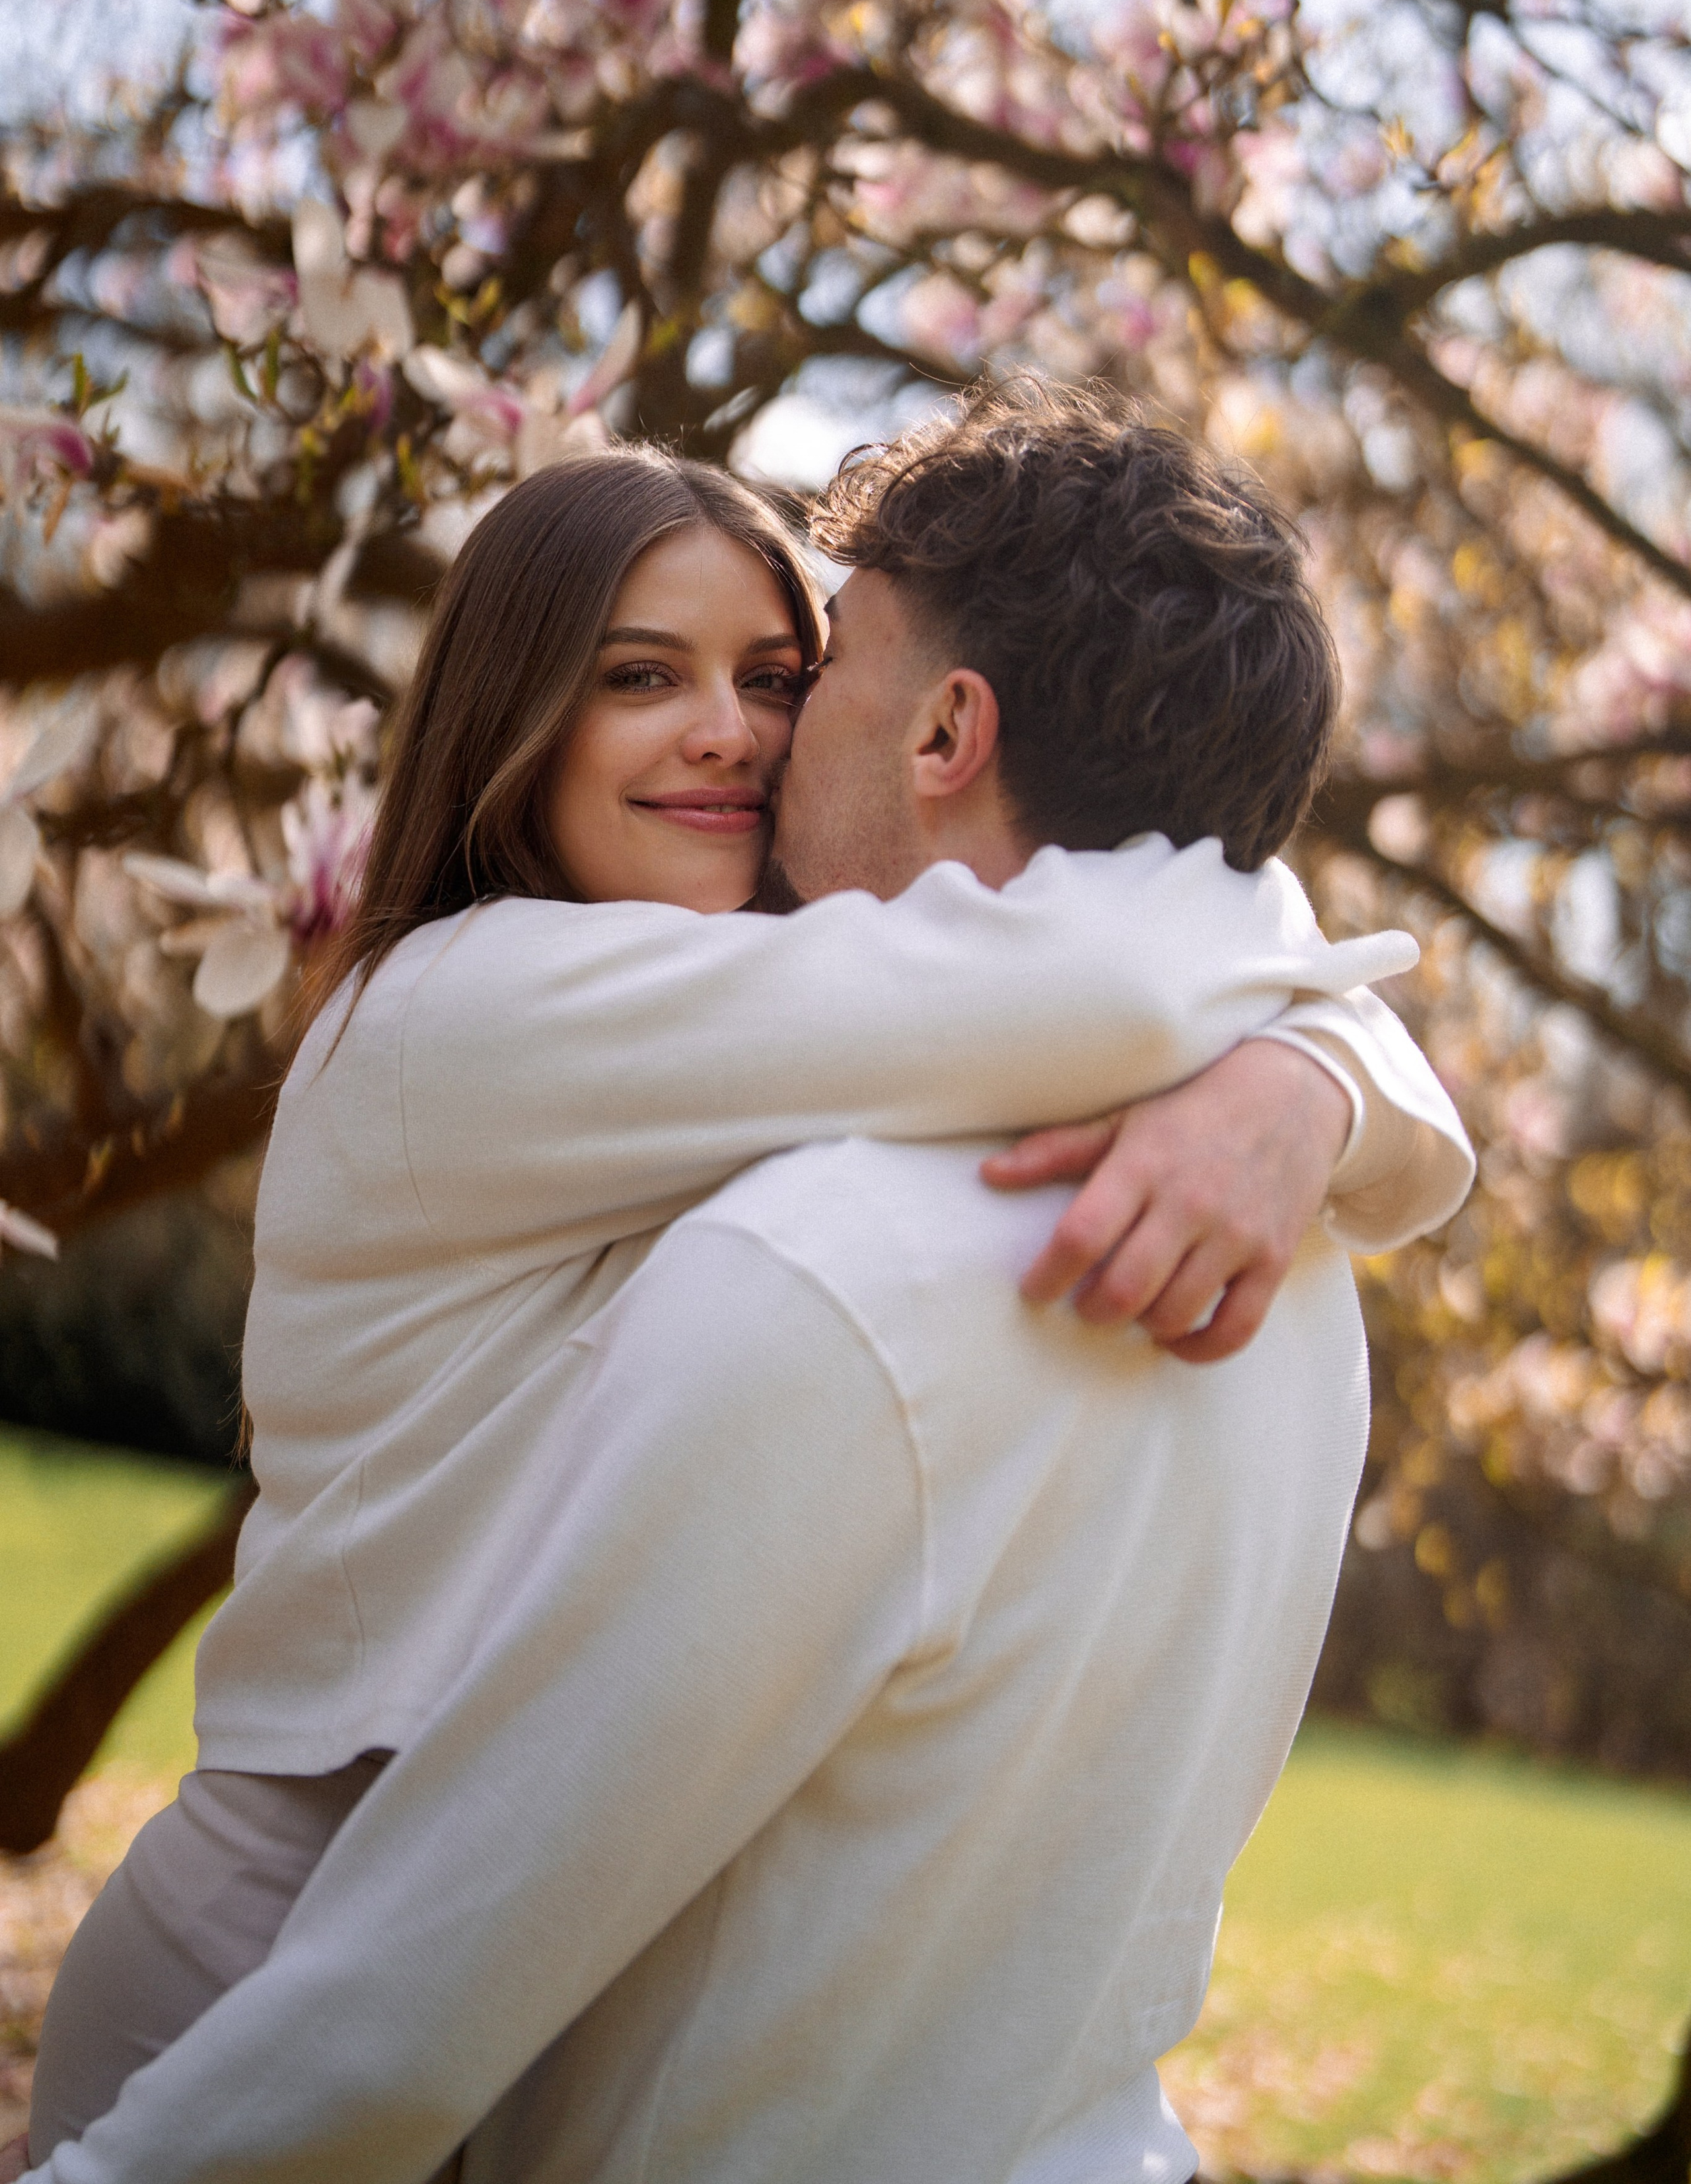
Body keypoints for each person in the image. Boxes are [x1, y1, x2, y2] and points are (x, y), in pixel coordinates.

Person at [16, 382, 1470, 2183]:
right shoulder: (461, 1020)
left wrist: (1310, 1076)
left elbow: (1080, 974)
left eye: (783, 677)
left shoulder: (795, 1059)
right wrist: (1309, 1055)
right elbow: (1103, 978)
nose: (735, 739)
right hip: (258, 1971)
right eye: (640, 677)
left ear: (936, 728)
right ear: (514, 717)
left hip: (471, 1981)